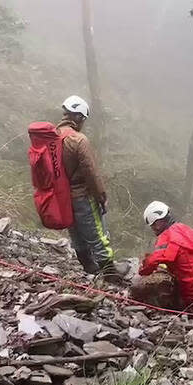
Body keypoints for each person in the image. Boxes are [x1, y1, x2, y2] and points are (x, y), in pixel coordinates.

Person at [58, 95, 117, 278]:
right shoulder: (78, 140)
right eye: (83, 119)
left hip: (61, 195)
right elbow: (90, 171)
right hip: (81, 195)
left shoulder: (52, 137)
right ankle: (110, 274)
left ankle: (88, 267)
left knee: (75, 233)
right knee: (97, 234)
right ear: (78, 117)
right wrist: (101, 195)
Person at [139, 201, 193, 318]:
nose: (154, 228)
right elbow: (180, 256)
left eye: (154, 225)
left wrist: (142, 269)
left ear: (161, 221)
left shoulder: (167, 236)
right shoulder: (185, 229)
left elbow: (154, 260)